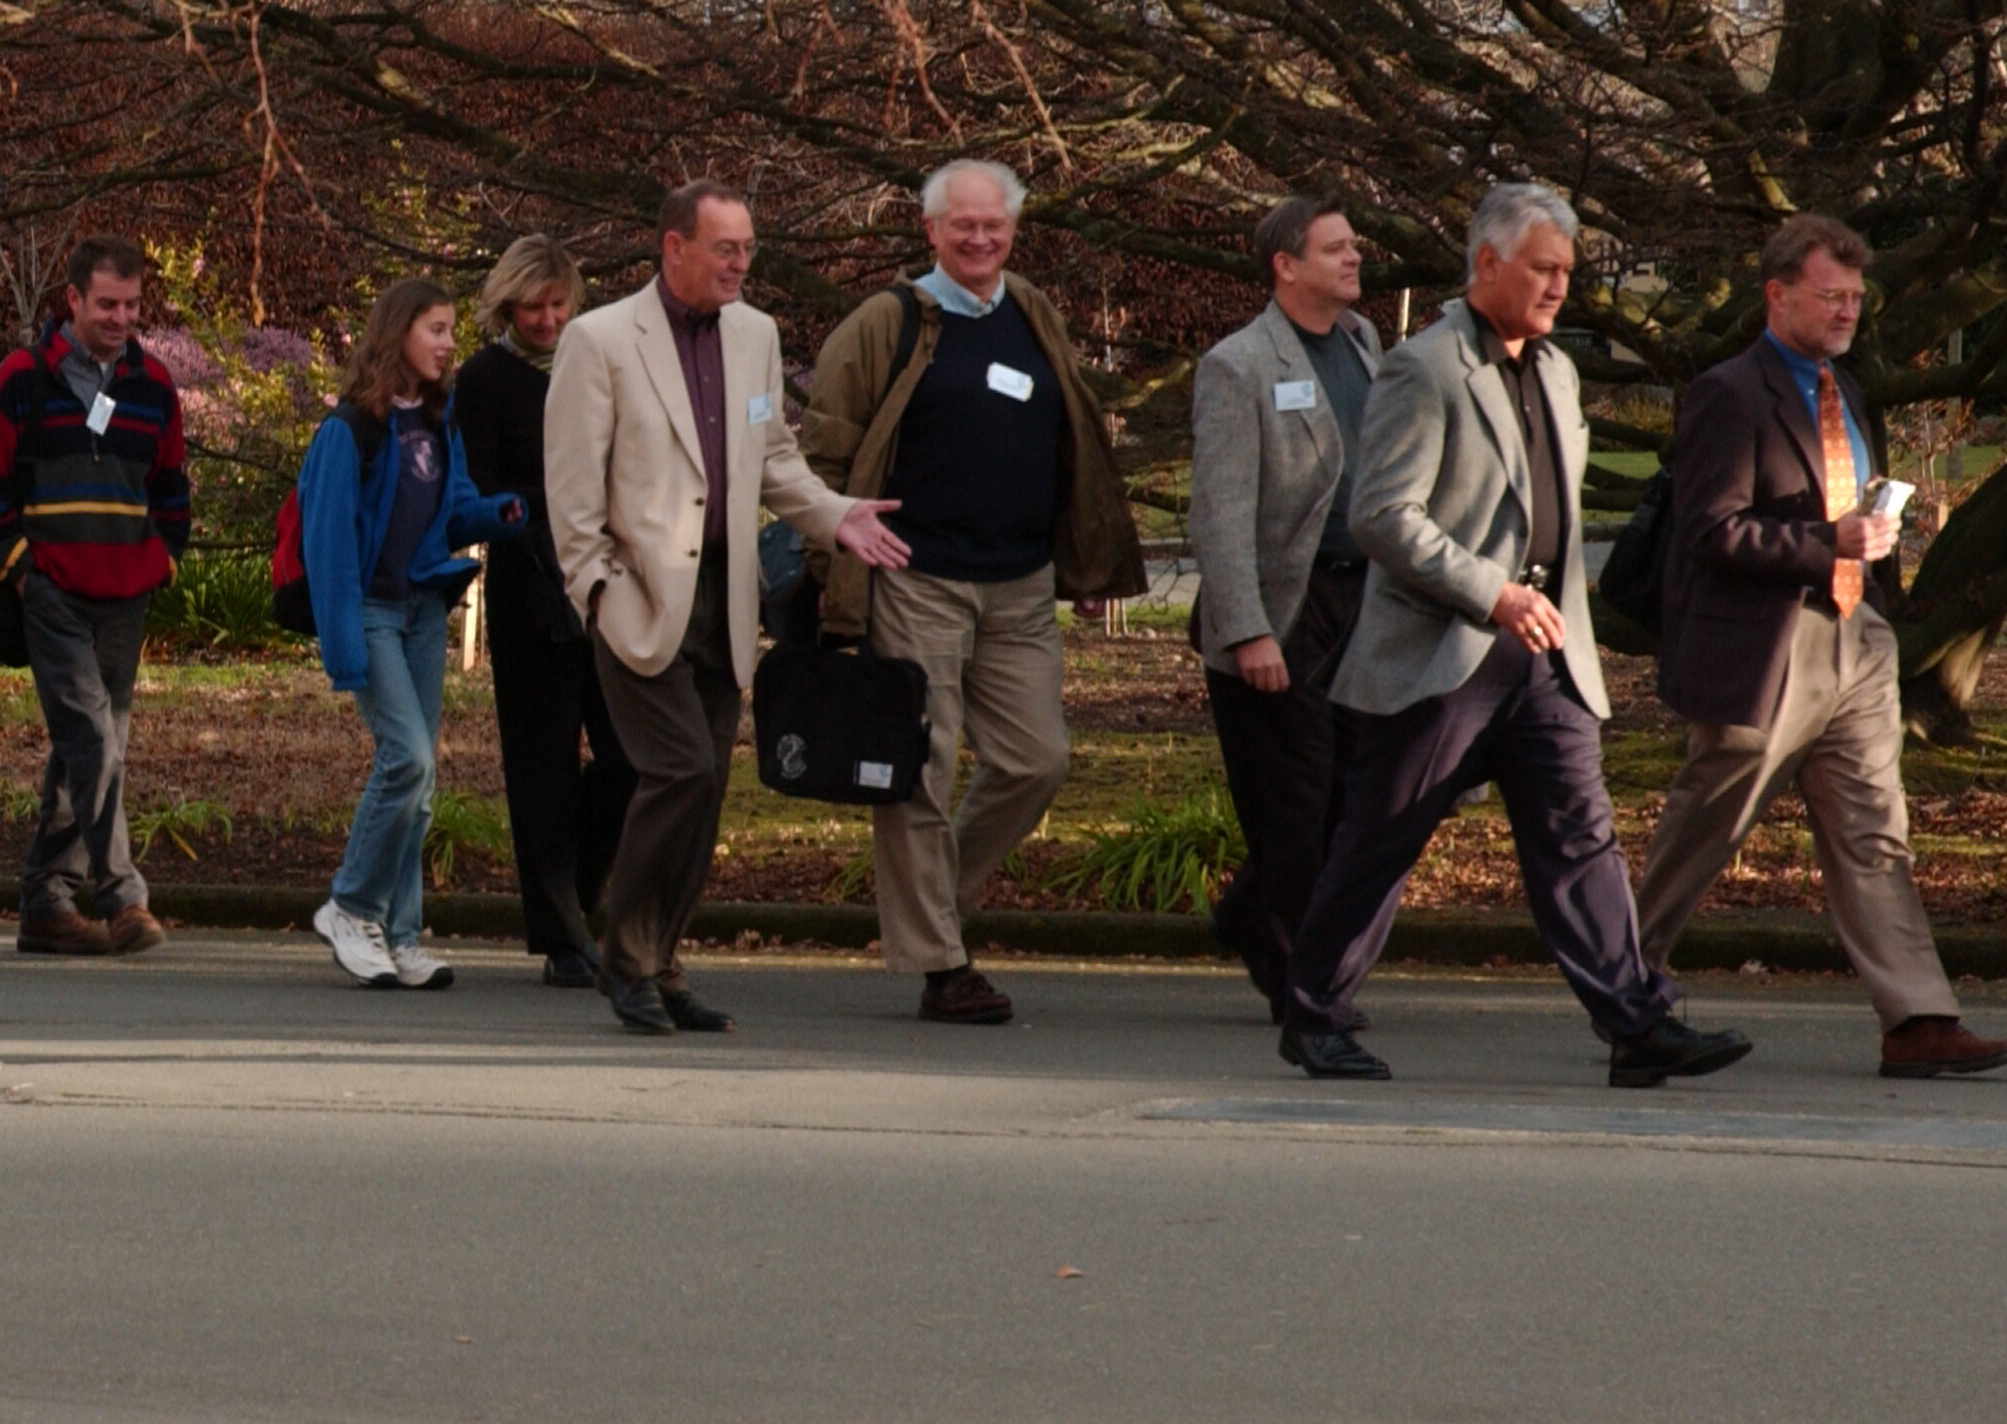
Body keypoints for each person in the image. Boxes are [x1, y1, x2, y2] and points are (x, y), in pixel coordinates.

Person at [1276, 182, 1753, 1085]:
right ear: (1486, 263)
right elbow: (1382, 517)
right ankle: (1312, 1013)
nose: (1558, 286)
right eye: (1542, 267)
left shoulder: (1560, 369)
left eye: (1568, 271)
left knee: (1579, 838)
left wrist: (1542, 612)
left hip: (1547, 652)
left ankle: (1635, 1022)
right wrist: (1488, 591)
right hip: (1444, 652)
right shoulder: (1423, 367)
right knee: (1382, 837)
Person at [1632, 217, 2007, 1078]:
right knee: (1708, 824)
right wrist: (1825, 542)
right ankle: (1623, 982)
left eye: (1854, 297)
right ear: (1777, 295)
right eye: (1829, 296)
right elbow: (1706, 532)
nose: (1846, 311)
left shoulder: (1844, 386)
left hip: (1854, 638)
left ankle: (1917, 1022)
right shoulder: (1728, 395)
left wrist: (1870, 571)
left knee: (1874, 832)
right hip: (1767, 646)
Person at [547, 182, 910, 1034]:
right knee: (680, 770)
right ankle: (627, 958)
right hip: (636, 597)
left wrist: (835, 514)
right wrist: (595, 589)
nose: (742, 263)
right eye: (725, 248)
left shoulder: (754, 333)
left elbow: (773, 458)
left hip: (725, 594)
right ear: (673, 247)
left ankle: (661, 962)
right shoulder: (597, 341)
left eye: (748, 247)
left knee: (706, 789)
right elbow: (570, 490)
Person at [797, 159, 1146, 1027]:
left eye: (994, 226)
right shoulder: (887, 321)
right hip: (916, 576)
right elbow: (821, 451)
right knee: (921, 765)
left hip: (1021, 580)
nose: (980, 239)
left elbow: (1069, 440)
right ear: (930, 229)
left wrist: (1085, 560)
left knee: (1038, 760)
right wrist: (831, 552)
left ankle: (929, 901)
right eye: (963, 226)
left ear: (1013, 230)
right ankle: (940, 963)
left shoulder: (1031, 310)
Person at [0, 237, 193, 957]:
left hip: (126, 593)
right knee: (92, 736)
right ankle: (122, 897)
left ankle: (46, 901)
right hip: (50, 592)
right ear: (74, 302)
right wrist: (25, 571)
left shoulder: (153, 387)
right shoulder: (21, 380)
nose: (120, 318)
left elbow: (172, 487)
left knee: (91, 746)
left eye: (131, 305)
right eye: (106, 305)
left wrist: (161, 560)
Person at [295, 276, 528, 990]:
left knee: (420, 784)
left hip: (423, 611)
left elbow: (452, 508)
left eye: (451, 328)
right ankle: (351, 906)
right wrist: (341, 643)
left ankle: (399, 935)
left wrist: (498, 514)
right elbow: (328, 545)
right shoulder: (349, 430)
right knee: (408, 762)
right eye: (435, 328)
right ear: (396, 333)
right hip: (370, 612)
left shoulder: (436, 419)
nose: (448, 342)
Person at [1183, 199, 1383, 1012]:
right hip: (1281, 613)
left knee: (1352, 796)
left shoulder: (1366, 344)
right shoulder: (1238, 365)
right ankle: (1301, 983)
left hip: (1361, 605)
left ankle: (1244, 915)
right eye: (1334, 247)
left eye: (1353, 244)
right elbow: (1218, 513)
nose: (1353, 257)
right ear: (1285, 265)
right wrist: (1248, 629)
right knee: (1293, 805)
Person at [453, 236, 629, 988]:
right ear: (506, 305)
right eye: (533, 307)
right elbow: (484, 484)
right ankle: (560, 937)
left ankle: (578, 897)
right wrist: (534, 520)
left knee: (628, 758)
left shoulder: (596, 364)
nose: (548, 320)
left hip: (608, 582)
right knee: (541, 766)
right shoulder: (484, 378)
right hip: (530, 584)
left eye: (559, 305)